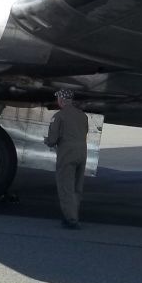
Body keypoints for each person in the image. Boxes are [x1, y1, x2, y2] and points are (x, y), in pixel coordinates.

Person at [44, 89, 89, 229]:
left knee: (66, 188)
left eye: (57, 98)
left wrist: (47, 141)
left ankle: (71, 220)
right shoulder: (83, 116)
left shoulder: (59, 116)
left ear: (61, 100)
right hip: (82, 153)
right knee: (77, 187)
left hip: (67, 154)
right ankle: (74, 214)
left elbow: (52, 139)